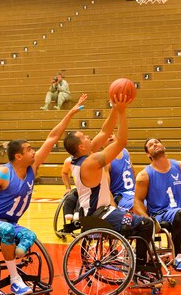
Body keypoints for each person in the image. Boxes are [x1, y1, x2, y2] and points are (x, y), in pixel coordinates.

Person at [0, 94, 87, 295]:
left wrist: (70, 113)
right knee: (9, 232)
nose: (34, 151)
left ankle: (13, 258)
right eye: (29, 149)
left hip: (9, 224)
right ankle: (15, 279)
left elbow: (52, 138)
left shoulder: (32, 168)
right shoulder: (1, 174)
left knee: (29, 235)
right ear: (18, 156)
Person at [63, 95, 154, 278]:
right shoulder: (90, 162)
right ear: (81, 147)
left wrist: (115, 107)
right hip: (99, 215)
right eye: (85, 137)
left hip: (97, 211)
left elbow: (105, 131)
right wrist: (122, 112)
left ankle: (135, 257)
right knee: (145, 223)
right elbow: (120, 142)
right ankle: (140, 266)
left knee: (137, 220)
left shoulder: (80, 158)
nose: (90, 137)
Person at [134, 138, 181, 271]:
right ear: (148, 154)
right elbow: (137, 201)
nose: (155, 144)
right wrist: (147, 219)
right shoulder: (144, 175)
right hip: (160, 214)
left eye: (157, 142)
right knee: (179, 214)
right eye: (151, 145)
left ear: (164, 147)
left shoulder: (180, 166)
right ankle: (178, 256)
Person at [104, 133, 135, 211]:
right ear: (101, 143)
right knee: (138, 206)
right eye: (106, 136)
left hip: (133, 192)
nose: (110, 136)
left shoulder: (125, 151)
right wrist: (112, 206)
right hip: (120, 196)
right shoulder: (105, 160)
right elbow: (105, 188)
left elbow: (133, 173)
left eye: (112, 134)